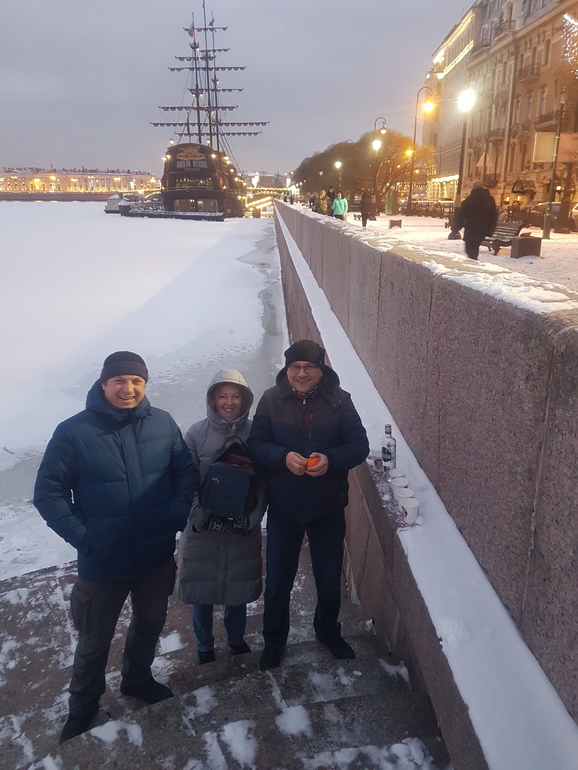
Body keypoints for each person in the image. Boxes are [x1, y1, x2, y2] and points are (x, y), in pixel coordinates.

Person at [33, 351, 196, 743]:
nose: (128, 389)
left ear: (145, 384)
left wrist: (175, 515)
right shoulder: (73, 432)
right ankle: (83, 709)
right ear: (104, 383)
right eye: (120, 380)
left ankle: (137, 680)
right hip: (103, 563)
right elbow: (48, 493)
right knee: (94, 640)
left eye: (137, 381)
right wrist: (86, 538)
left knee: (150, 624)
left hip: (155, 556)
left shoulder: (163, 422)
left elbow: (184, 473)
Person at [248, 340, 369, 671]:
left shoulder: (340, 401)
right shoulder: (271, 400)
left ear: (321, 369)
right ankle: (274, 641)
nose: (301, 374)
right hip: (284, 509)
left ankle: (328, 632)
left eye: (309, 367)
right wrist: (282, 457)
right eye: (295, 367)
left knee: (328, 580)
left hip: (327, 509)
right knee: (278, 582)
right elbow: (256, 444)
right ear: (287, 369)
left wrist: (330, 460)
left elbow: (359, 445)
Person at [176, 370, 265, 665]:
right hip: (203, 531)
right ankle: (204, 645)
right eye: (223, 396)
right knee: (201, 592)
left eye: (235, 396)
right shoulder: (196, 434)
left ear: (245, 399)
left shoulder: (256, 433)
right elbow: (185, 479)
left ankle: (236, 639)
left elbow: (264, 483)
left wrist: (253, 517)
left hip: (242, 530)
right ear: (212, 399)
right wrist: (198, 514)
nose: (229, 402)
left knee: (237, 590)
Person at [451, 180, 498, 260]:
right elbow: (494, 216)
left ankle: (473, 261)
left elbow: (461, 215)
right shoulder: (490, 200)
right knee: (475, 246)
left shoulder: (469, 200)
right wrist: (490, 230)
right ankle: (473, 259)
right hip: (483, 228)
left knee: (470, 248)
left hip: (471, 228)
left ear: (473, 188)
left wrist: (456, 227)